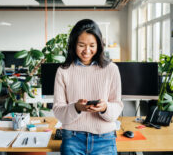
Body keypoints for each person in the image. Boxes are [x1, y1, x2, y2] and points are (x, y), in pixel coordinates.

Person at [52, 19, 124, 155]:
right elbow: (58, 110)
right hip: (72, 139)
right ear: (73, 45)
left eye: (92, 45)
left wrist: (105, 108)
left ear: (99, 45)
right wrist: (76, 108)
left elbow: (117, 106)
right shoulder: (63, 71)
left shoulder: (111, 69)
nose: (87, 51)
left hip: (104, 139)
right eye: (81, 45)